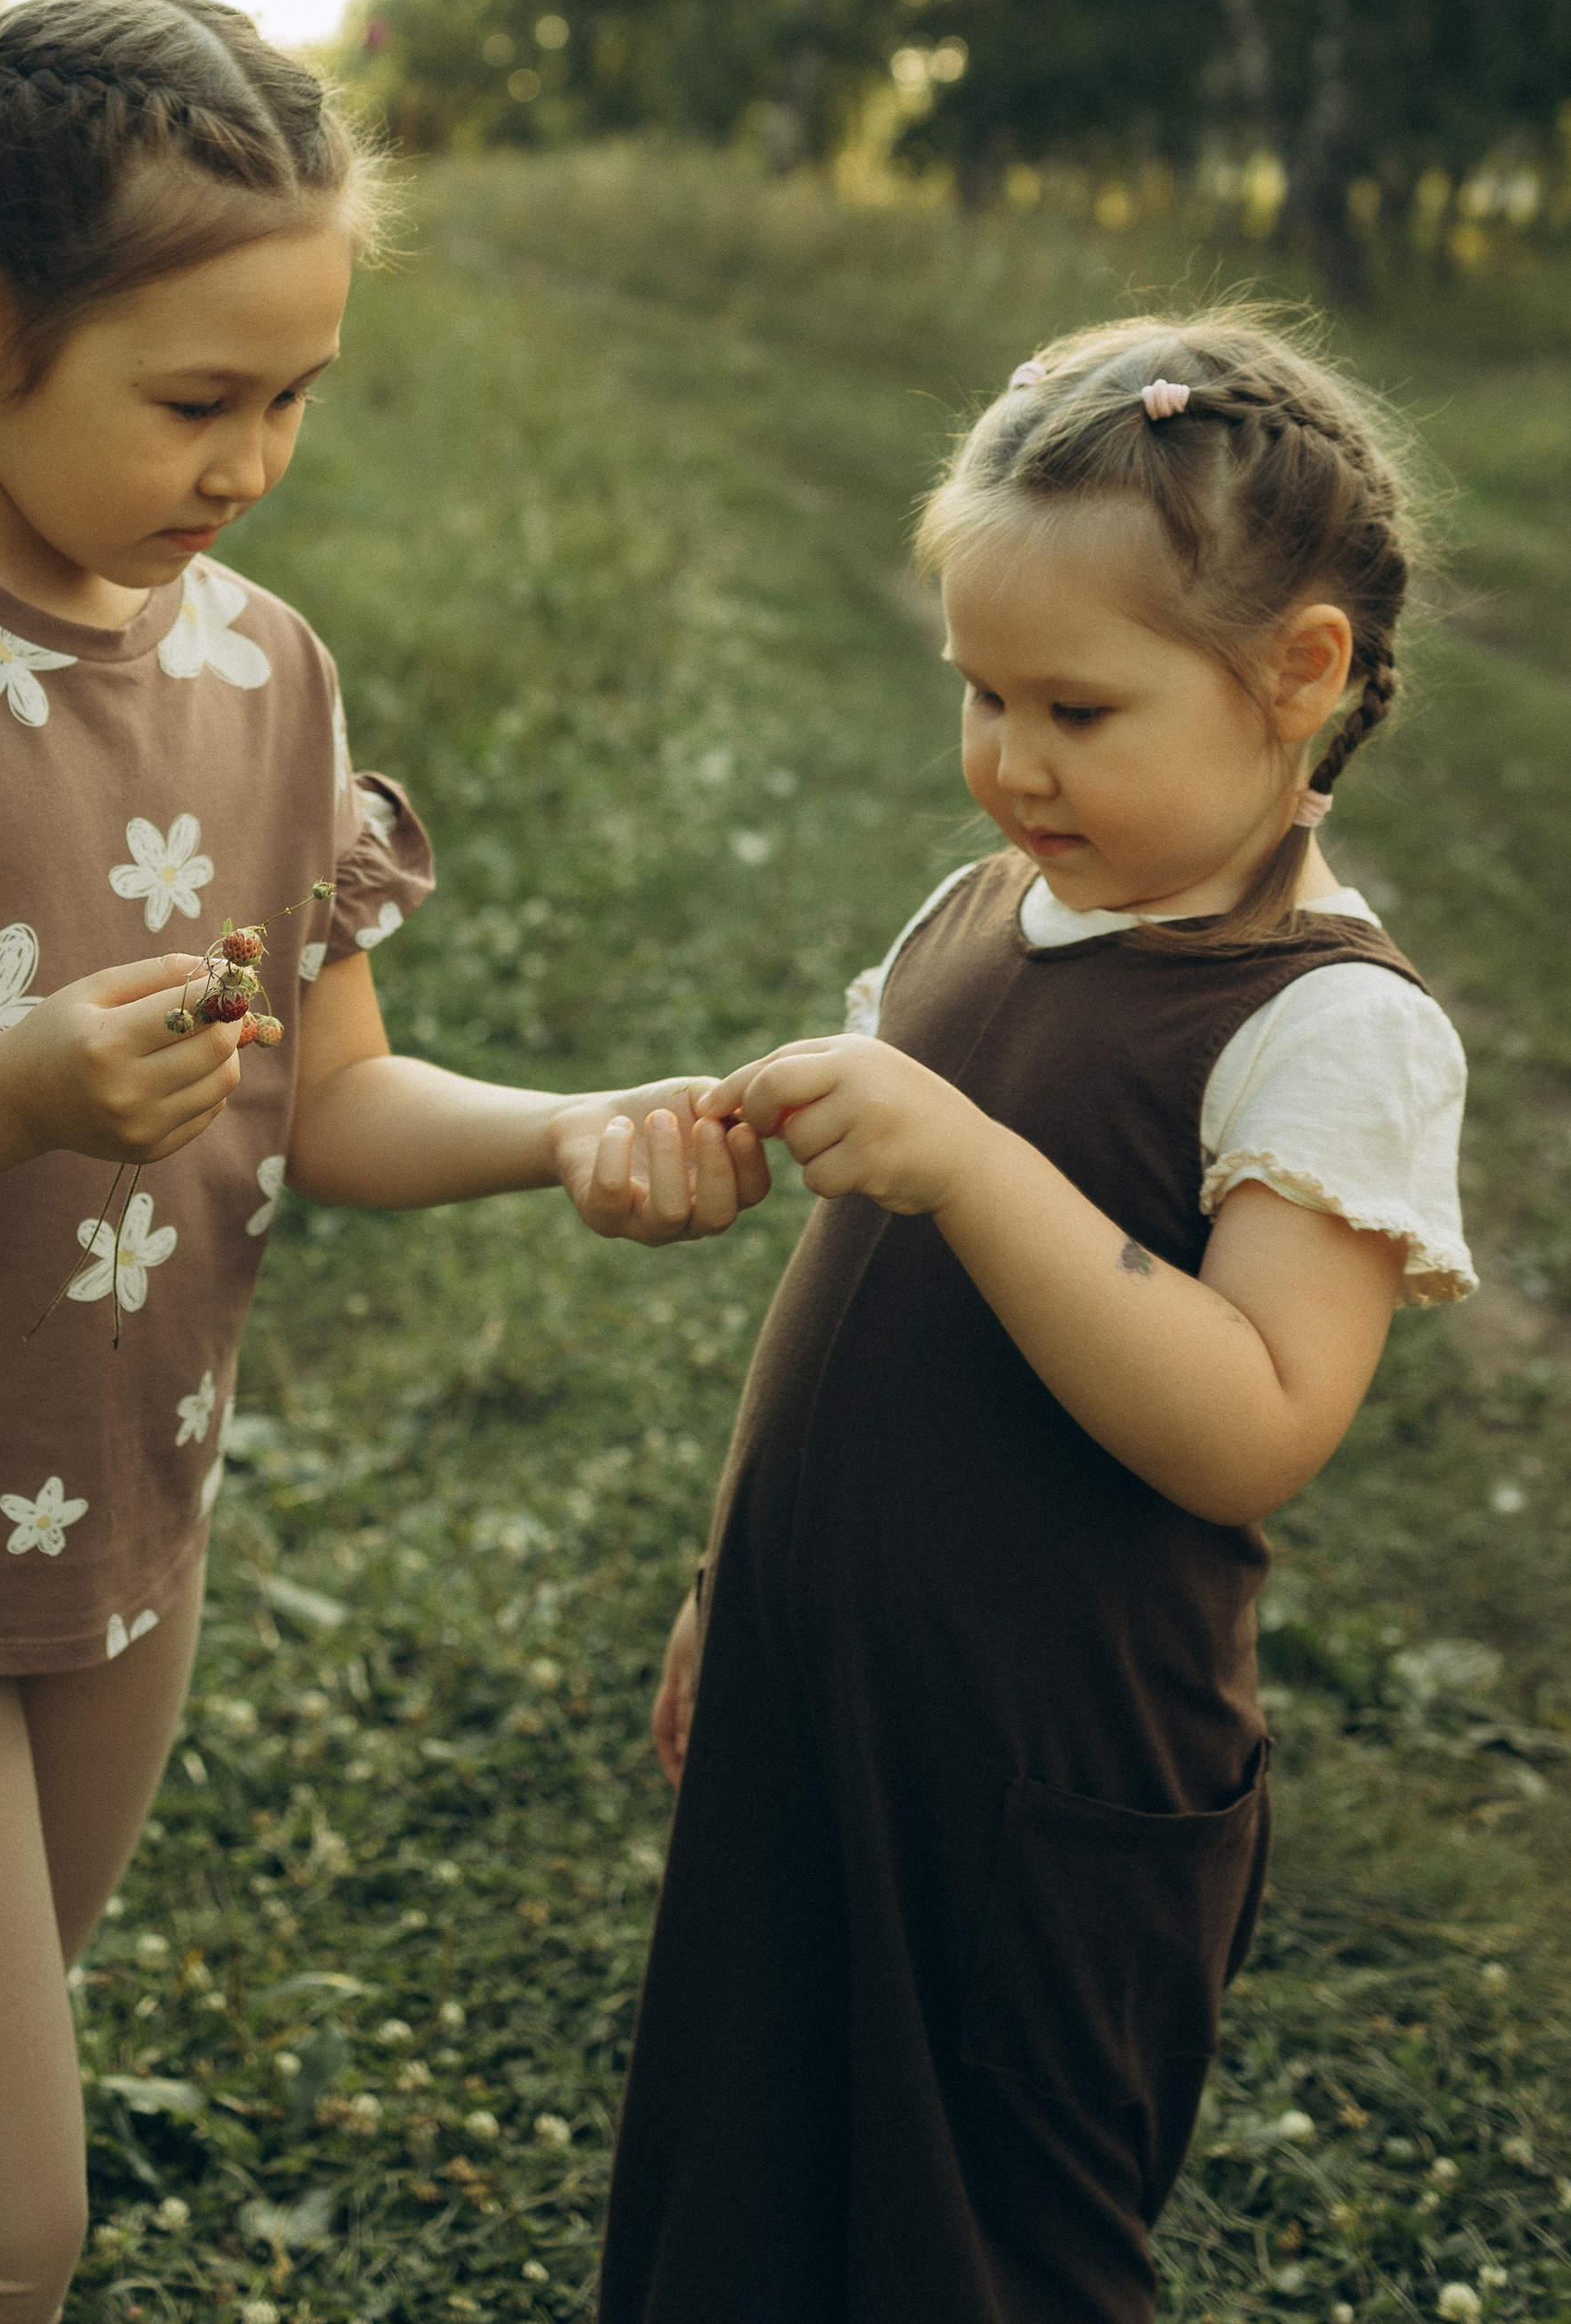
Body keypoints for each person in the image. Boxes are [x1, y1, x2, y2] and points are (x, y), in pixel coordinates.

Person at [0, 0, 765, 2324]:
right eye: (200, 399)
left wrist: (576, 1133)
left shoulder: (268, 677)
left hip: (123, 1514)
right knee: (0, 2229)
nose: (259, 462)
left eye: (299, 395)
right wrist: (9, 1092)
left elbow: (344, 1092)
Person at [600, 316, 1472, 2324]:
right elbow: (841, 1316)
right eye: (977, 693)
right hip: (827, 1689)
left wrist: (968, 1158)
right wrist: (728, 1578)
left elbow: (1250, 1420)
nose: (1007, 758)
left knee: (985, 2241)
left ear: (1297, 679)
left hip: (1040, 1775)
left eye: (1075, 706)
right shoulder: (973, 909)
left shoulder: (1323, 1027)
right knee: (749, 2164)